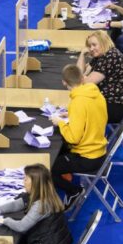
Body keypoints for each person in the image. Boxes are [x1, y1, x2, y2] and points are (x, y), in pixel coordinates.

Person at [50, 65, 108, 208]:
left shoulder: (77, 102)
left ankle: (73, 191)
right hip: (100, 150)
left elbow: (73, 138)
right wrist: (71, 115)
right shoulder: (96, 93)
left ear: (64, 82)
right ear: (83, 78)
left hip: (87, 157)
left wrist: (61, 123)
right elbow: (92, 115)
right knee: (60, 153)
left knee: (47, 169)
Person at [76, 31, 123, 123]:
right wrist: (82, 55)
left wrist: (84, 79)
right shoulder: (102, 56)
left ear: (103, 42)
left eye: (94, 45)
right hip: (114, 102)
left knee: (79, 110)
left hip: (117, 107)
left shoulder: (110, 57)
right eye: (89, 46)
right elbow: (79, 73)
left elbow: (84, 83)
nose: (91, 48)